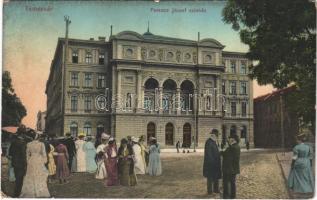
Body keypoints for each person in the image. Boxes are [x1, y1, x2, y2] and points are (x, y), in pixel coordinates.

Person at [9, 127, 27, 197]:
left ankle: (16, 194)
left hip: (15, 163)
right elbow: (23, 154)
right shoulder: (22, 143)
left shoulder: (13, 142)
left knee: (17, 179)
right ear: (22, 134)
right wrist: (25, 164)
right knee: (20, 180)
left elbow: (10, 153)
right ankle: (17, 195)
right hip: (21, 164)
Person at [221, 134, 241, 199]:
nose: (228, 140)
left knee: (226, 183)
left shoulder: (233, 147)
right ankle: (232, 196)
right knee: (232, 183)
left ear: (233, 139)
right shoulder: (236, 146)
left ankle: (226, 196)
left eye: (229, 139)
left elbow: (226, 154)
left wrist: (227, 146)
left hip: (229, 169)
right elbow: (226, 154)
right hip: (233, 169)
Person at [203, 129, 221, 195]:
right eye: (217, 136)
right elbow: (208, 154)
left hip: (215, 163)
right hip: (210, 164)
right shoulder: (209, 142)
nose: (217, 137)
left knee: (216, 176)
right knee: (210, 177)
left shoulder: (214, 142)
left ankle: (216, 189)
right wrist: (212, 163)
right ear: (213, 135)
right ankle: (210, 191)